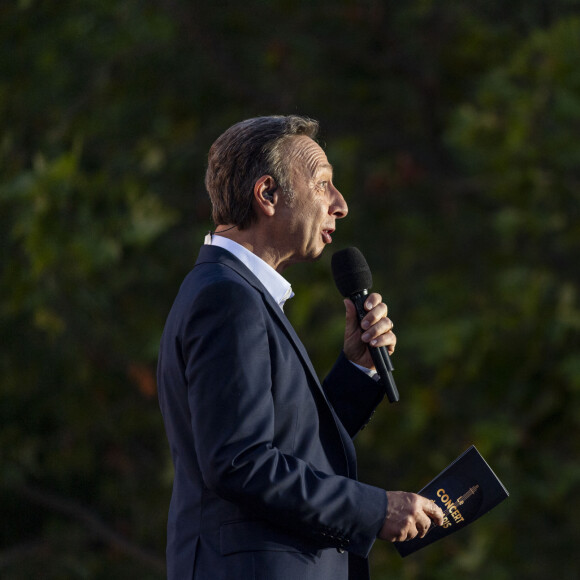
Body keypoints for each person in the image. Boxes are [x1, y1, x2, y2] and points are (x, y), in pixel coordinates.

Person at [157, 115, 443, 580]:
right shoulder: (226, 298)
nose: (341, 204)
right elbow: (240, 463)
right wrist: (375, 509)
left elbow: (289, 445)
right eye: (324, 184)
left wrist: (356, 370)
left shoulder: (233, 292)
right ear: (268, 195)